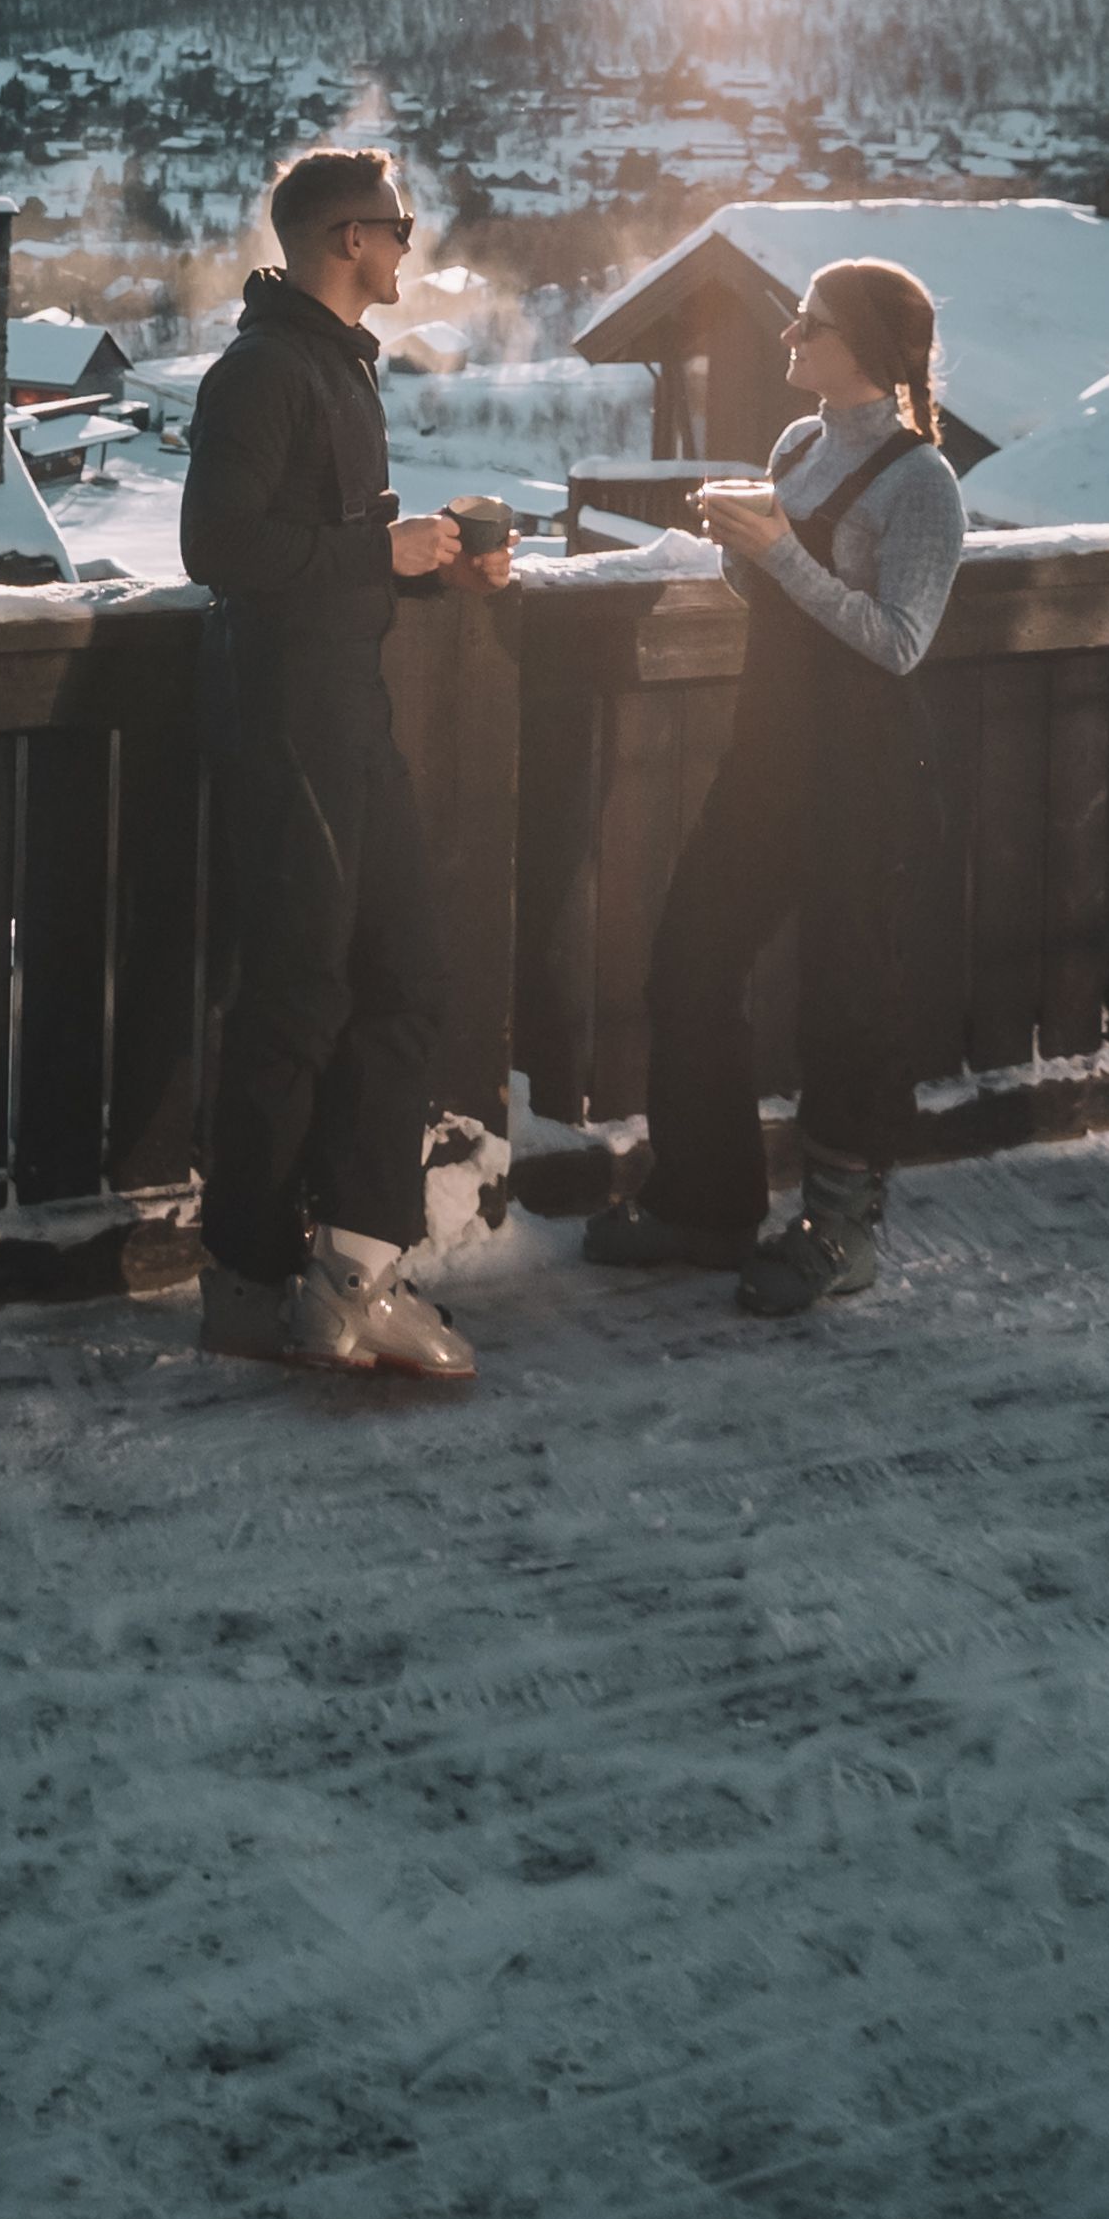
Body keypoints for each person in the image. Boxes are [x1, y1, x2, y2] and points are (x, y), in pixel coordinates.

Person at [183, 143, 516, 1381]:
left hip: (343, 714)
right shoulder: (265, 373)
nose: (409, 243)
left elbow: (315, 560)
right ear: (342, 241)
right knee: (300, 996)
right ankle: (253, 1281)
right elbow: (219, 544)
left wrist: (429, 569)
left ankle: (357, 1269)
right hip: (291, 725)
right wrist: (381, 558)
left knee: (406, 978)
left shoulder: (334, 370)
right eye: (396, 225)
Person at [591, 255, 965, 1319]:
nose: (791, 336)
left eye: (812, 323)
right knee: (689, 960)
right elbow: (765, 594)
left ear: (872, 349)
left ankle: (843, 1228)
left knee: (850, 1001)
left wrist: (784, 552)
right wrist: (741, 546)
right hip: (771, 759)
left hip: (867, 778)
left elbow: (898, 642)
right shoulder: (798, 444)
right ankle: (707, 1204)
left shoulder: (922, 482)